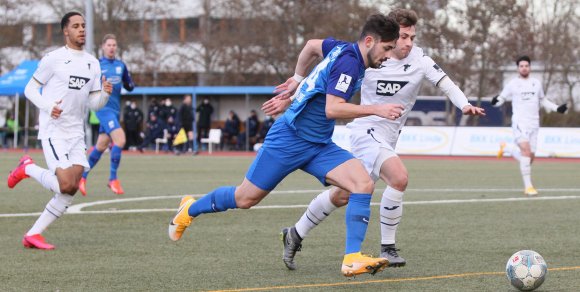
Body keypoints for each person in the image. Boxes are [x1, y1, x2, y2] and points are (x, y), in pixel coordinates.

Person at [168, 13, 403, 277]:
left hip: (318, 145)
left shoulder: (341, 48)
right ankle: (189, 209)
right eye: (387, 48)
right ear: (370, 41)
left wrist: (296, 78)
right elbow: (332, 108)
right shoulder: (349, 63)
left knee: (362, 184)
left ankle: (352, 258)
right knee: (245, 198)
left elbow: (312, 45)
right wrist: (377, 110)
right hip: (289, 138)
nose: (388, 56)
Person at [265, 8, 487, 271]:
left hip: (389, 137)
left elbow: (446, 83)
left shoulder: (420, 60)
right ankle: (388, 248)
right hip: (365, 131)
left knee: (343, 194)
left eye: (412, 37)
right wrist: (293, 94)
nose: (407, 43)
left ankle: (295, 233)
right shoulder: (367, 59)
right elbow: (323, 75)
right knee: (399, 177)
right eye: (403, 36)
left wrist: (464, 105)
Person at [7, 11, 112, 250]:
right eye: (76, 26)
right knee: (66, 184)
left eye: (83, 25)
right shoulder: (53, 59)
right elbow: (30, 90)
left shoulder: (92, 63)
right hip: (54, 130)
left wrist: (105, 93)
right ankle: (28, 168)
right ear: (66, 31)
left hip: (77, 133)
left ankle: (33, 234)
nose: (81, 29)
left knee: (71, 189)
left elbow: (93, 103)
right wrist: (48, 106)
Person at [493, 55, 567, 196]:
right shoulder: (512, 84)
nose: (524, 68)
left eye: (526, 65)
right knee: (526, 152)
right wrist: (495, 101)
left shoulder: (536, 83)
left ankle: (507, 148)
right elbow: (501, 98)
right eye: (521, 66)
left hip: (534, 124)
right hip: (520, 123)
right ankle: (528, 187)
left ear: (530, 67)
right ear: (518, 68)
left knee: (529, 157)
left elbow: (543, 100)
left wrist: (557, 108)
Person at [79, 33, 135, 196]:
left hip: (115, 111)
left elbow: (129, 85)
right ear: (103, 47)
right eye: (109, 45)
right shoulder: (96, 65)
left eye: (114, 45)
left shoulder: (121, 65)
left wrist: (130, 83)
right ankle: (112, 179)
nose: (111, 48)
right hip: (103, 109)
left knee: (101, 145)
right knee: (120, 139)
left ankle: (82, 177)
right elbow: (87, 86)